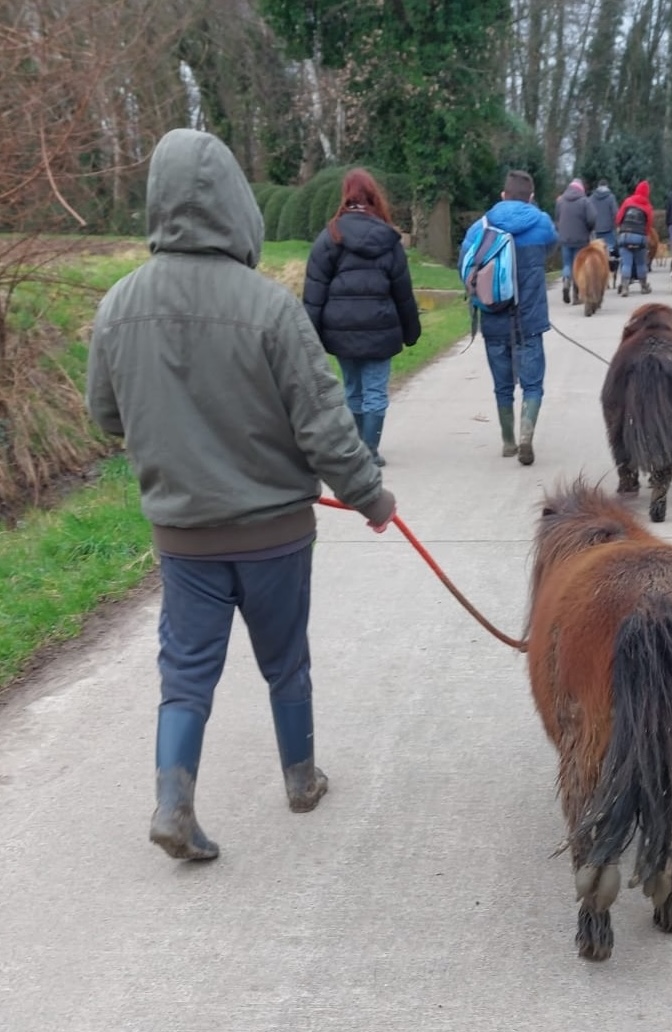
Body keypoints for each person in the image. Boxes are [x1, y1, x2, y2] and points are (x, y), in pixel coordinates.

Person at [87, 128, 397, 863]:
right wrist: (371, 498)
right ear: (236, 206)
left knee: (185, 673)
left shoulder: (118, 306)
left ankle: (173, 802)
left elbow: (107, 415)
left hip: (184, 537)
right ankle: (301, 780)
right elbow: (324, 428)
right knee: (285, 660)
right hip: (275, 535)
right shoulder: (271, 308)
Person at [303, 169, 421, 466]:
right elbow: (402, 292)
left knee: (352, 388)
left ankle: (356, 449)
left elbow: (315, 291)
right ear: (373, 197)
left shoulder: (331, 236)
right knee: (375, 391)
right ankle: (369, 449)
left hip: (340, 330)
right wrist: (411, 331)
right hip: (381, 329)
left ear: (346, 196)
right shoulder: (389, 239)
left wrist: (309, 335)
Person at [458, 169, 557, 465]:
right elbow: (552, 248)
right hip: (530, 319)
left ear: (503, 195)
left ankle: (508, 441)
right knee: (533, 384)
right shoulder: (541, 224)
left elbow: (464, 266)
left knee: (502, 385)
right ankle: (527, 435)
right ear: (531, 197)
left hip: (493, 317)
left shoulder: (481, 227)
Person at [553, 177, 595, 304]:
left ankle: (566, 281)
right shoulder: (585, 201)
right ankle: (576, 296)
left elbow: (557, 218)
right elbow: (592, 219)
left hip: (565, 238)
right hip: (581, 240)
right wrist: (589, 229)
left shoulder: (561, 201)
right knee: (579, 267)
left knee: (567, 264)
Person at [615, 180, 655, 296]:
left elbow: (618, 219)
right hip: (639, 237)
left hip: (625, 236)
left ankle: (625, 287)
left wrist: (621, 228)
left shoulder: (628, 202)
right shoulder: (648, 207)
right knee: (641, 263)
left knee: (626, 263)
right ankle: (643, 286)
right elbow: (649, 225)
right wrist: (645, 236)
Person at [589, 178, 619, 253]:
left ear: (598, 186)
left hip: (595, 230)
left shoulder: (591, 198)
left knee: (596, 252)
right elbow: (615, 213)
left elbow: (589, 214)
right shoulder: (611, 197)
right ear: (607, 186)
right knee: (610, 252)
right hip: (608, 230)